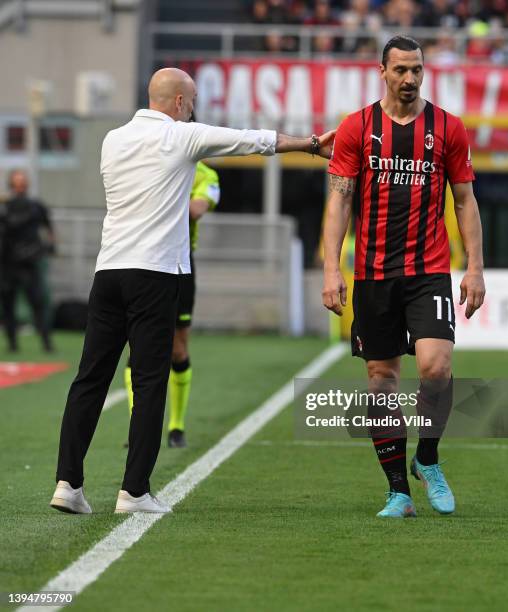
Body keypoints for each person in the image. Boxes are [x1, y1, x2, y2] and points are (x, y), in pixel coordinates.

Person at [50, 67, 335, 515]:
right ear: (180, 103)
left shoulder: (113, 139)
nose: (195, 108)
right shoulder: (181, 137)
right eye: (194, 100)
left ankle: (67, 484)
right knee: (148, 383)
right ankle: (135, 492)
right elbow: (252, 140)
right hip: (155, 276)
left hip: (107, 273)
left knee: (89, 379)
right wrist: (311, 144)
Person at [322, 35, 485, 518]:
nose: (410, 79)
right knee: (382, 380)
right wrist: (332, 267)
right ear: (382, 71)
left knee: (437, 368)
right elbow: (340, 199)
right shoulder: (357, 128)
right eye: (401, 70)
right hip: (373, 275)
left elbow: (465, 201)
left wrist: (475, 267)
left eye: (417, 69)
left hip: (429, 270)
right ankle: (398, 491)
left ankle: (428, 457)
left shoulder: (448, 128)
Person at [124, 152, 221, 449]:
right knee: (137, 343)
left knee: (178, 348)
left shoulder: (206, 174)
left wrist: (159, 197)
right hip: (142, 259)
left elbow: (197, 208)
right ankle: (135, 424)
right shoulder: (146, 162)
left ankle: (176, 426)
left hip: (179, 264)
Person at [0, 170, 55, 353]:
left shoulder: (36, 206)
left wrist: (50, 246)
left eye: (23, 181)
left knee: (38, 303)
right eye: (17, 181)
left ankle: (47, 343)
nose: (20, 185)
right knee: (8, 305)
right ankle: (12, 344)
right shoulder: (5, 206)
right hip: (8, 264)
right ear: (11, 184)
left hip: (30, 263)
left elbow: (49, 228)